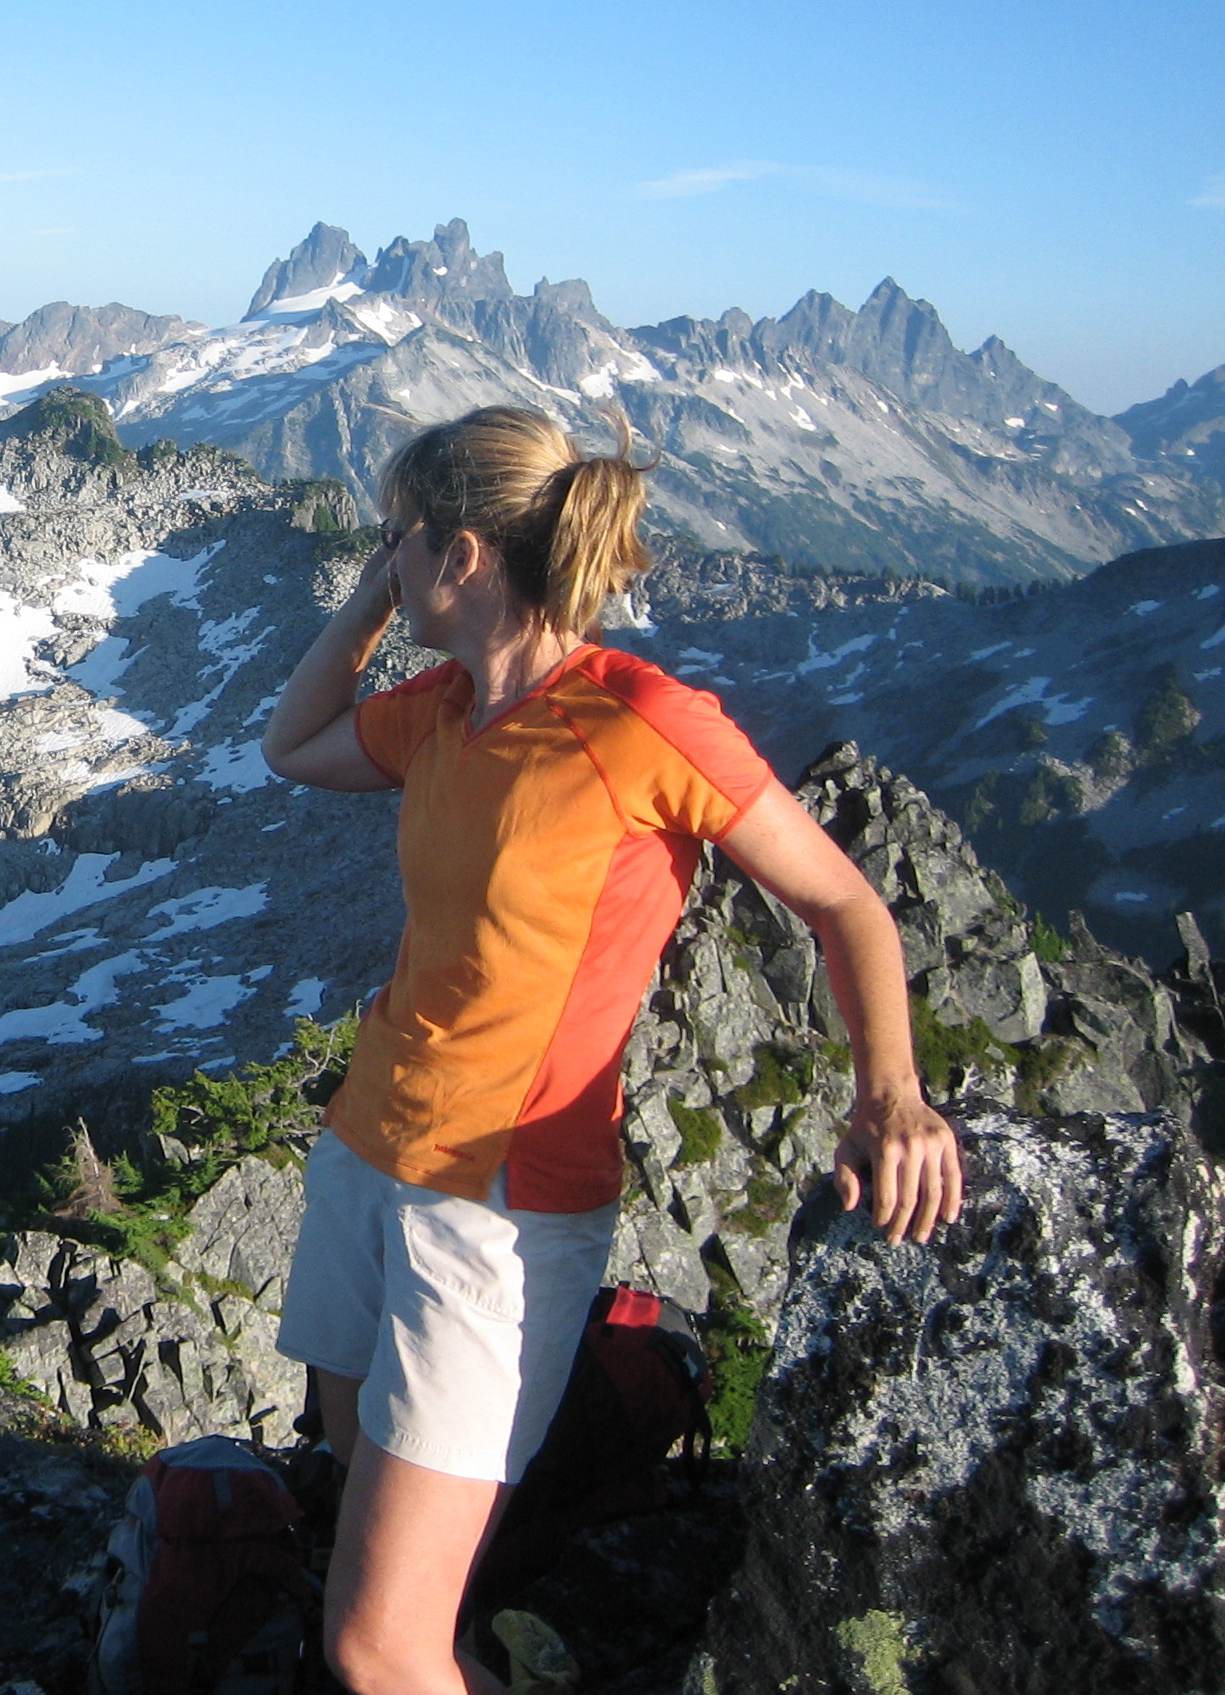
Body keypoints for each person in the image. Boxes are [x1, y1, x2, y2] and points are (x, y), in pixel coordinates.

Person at [257, 405, 963, 1695]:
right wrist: (372, 593)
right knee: (359, 1517)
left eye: (398, 541)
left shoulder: (641, 721)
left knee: (372, 1648)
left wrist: (894, 1093)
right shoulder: (443, 707)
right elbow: (290, 746)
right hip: (368, 1152)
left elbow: (846, 902)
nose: (387, 564)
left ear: (461, 553)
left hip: (501, 1212)